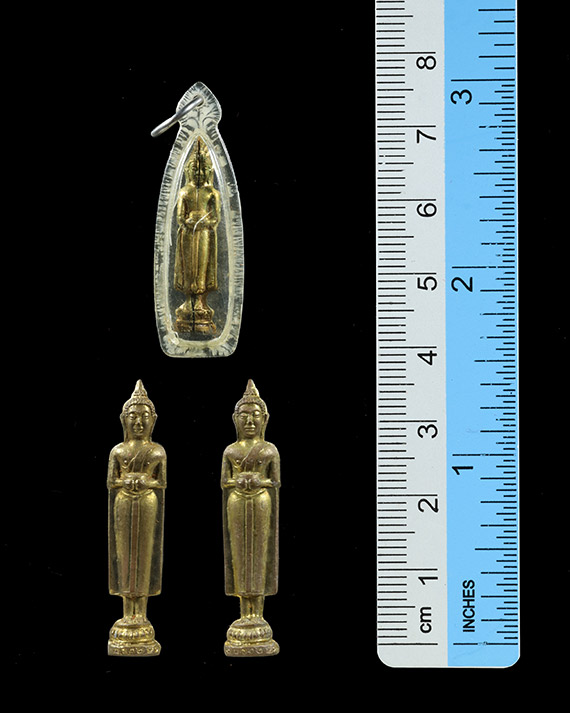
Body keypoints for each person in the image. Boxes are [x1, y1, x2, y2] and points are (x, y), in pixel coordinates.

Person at [221, 380, 280, 656]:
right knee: (239, 556)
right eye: (244, 416)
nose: (249, 421)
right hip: (236, 502)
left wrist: (256, 480)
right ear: (235, 419)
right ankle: (244, 612)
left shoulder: (269, 450)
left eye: (255, 416)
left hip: (260, 502)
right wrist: (239, 481)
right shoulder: (231, 451)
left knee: (259, 555)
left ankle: (258, 613)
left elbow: (275, 482)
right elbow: (225, 482)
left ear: (264, 419)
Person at [107, 380, 166, 656]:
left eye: (144, 417)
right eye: (133, 417)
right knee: (124, 556)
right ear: (124, 420)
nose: (139, 423)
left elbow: (161, 482)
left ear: (153, 420)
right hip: (123, 503)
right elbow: (111, 482)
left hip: (147, 503)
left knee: (144, 555)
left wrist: (143, 481)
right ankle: (126, 612)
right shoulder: (118, 451)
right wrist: (127, 481)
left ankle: (140, 612)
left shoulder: (156, 451)